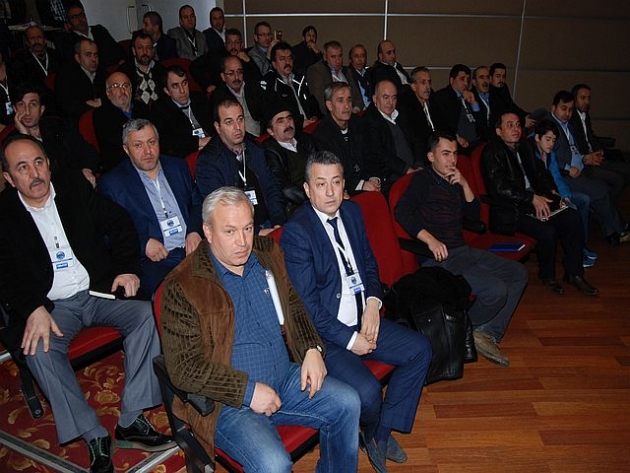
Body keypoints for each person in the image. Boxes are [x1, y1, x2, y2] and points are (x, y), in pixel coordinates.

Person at [0, 134, 173, 473]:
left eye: (38, 162)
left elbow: (120, 222)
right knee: (38, 350)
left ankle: (131, 418)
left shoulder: (72, 188)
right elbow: (4, 274)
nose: (34, 174)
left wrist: (127, 268)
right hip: (51, 307)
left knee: (146, 314)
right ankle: (93, 434)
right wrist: (32, 307)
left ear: (48, 165)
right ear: (9, 178)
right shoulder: (4, 214)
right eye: (22, 168)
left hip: (97, 292)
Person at [160, 186, 361, 472]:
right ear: (207, 231)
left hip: (284, 376)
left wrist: (312, 348)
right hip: (228, 403)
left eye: (248, 228)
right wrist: (248, 391)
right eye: (230, 231)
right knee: (273, 465)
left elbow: (293, 304)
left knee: (348, 403)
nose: (242, 242)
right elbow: (184, 368)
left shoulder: (267, 253)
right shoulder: (183, 286)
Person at [281, 151, 432, 473]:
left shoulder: (352, 212)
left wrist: (374, 304)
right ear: (307, 189)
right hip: (328, 336)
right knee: (368, 394)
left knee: (420, 349)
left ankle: (379, 434)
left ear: (344, 184)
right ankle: (372, 428)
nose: (330, 192)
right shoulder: (297, 233)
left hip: (366, 320)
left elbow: (369, 265)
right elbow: (308, 307)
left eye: (336, 182)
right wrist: (351, 341)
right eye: (321, 184)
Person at [395, 131, 528, 365]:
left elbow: (474, 216)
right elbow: (402, 212)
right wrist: (430, 240)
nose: (452, 160)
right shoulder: (422, 180)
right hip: (440, 258)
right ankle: (463, 331)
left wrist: (465, 184)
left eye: (455, 154)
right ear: (431, 156)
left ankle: (486, 332)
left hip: (463, 250)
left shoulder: (455, 180)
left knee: (519, 273)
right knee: (496, 290)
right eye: (446, 154)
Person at [480, 111, 598, 296]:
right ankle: (547, 276)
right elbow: (501, 189)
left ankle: (574, 273)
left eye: (518, 124)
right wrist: (532, 199)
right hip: (511, 210)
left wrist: (552, 193)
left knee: (572, 217)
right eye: (509, 125)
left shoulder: (525, 146)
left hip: (533, 201)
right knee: (547, 230)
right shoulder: (492, 152)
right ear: (498, 131)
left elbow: (541, 173)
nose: (516, 129)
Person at [98, 119, 203, 295]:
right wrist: (143, 244)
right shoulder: (113, 184)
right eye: (138, 145)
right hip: (155, 261)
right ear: (126, 149)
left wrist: (194, 231)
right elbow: (108, 234)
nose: (147, 151)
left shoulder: (177, 166)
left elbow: (198, 203)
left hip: (192, 248)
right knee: (177, 296)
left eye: (151, 142)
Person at [533, 90, 630, 246]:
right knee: (600, 191)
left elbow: (574, 149)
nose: (567, 113)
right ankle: (620, 230)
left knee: (604, 188)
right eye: (563, 108)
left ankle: (611, 231)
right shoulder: (548, 126)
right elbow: (547, 156)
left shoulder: (567, 124)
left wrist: (585, 158)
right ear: (553, 108)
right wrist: (568, 168)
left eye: (570, 110)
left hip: (580, 166)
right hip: (565, 175)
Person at [196, 98, 286, 235]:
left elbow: (272, 188)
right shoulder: (208, 162)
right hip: (238, 233)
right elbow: (220, 211)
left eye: (240, 119)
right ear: (218, 127)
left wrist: (278, 223)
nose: (237, 127)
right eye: (229, 122)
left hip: (269, 222)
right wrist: (257, 232)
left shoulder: (255, 149)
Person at [527, 119, 596, 268]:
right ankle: (576, 252)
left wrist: (565, 197)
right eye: (548, 139)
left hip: (553, 194)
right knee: (573, 210)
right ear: (537, 137)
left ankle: (581, 244)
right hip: (539, 198)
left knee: (583, 200)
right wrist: (559, 198)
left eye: (553, 140)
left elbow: (556, 177)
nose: (551, 144)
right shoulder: (529, 153)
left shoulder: (549, 154)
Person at [9, 82, 99, 184]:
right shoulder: (12, 143)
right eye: (21, 105)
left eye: (33, 104)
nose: (27, 111)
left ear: (41, 109)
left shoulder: (57, 125)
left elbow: (88, 151)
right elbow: (43, 172)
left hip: (77, 181)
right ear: (15, 109)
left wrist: (87, 169)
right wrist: (26, 137)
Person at [312, 82, 374, 195]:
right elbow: (333, 171)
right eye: (340, 101)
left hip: (369, 180)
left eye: (349, 100)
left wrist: (374, 177)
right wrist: (361, 184)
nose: (347, 106)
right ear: (329, 105)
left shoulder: (358, 123)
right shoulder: (321, 135)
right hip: (346, 188)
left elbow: (371, 155)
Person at [570, 83, 630, 195]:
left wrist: (599, 151)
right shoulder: (570, 118)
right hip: (584, 162)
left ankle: (610, 201)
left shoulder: (585, 115)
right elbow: (575, 144)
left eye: (589, 98)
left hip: (594, 155)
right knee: (618, 180)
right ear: (574, 99)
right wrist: (588, 156)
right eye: (583, 98)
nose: (587, 102)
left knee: (626, 169)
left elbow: (590, 136)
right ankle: (608, 202)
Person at [361, 79, 419, 194]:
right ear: (375, 99)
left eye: (394, 98)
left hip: (413, 170)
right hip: (392, 176)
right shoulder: (369, 120)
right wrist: (407, 170)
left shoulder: (401, 113)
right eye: (386, 97)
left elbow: (415, 139)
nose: (390, 102)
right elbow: (380, 153)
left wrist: (419, 164)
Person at [93, 71, 153, 173]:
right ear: (108, 93)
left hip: (149, 157)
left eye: (125, 86)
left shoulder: (142, 108)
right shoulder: (101, 115)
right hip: (122, 164)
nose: (122, 90)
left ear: (131, 90)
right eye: (116, 86)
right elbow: (114, 144)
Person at [263, 101, 315, 215]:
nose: (288, 124)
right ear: (271, 131)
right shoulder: (269, 151)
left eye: (289, 118)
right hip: (296, 206)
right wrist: (313, 198)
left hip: (319, 194)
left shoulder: (306, 140)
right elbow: (283, 187)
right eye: (281, 121)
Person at [151, 65, 213, 158]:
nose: (182, 90)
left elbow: (215, 125)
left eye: (184, 83)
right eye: (175, 86)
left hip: (212, 148)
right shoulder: (160, 109)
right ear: (167, 91)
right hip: (187, 156)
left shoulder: (200, 98)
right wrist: (198, 143)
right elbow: (167, 142)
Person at [260, 41, 321, 131]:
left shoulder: (300, 78)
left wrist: (315, 116)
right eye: (282, 59)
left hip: (310, 126)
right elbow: (274, 113)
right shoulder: (270, 83)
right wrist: (300, 123)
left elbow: (312, 102)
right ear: (274, 64)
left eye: (290, 58)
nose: (287, 62)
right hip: (288, 130)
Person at [431, 64, 483, 153]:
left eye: (468, 80)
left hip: (476, 143)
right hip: (456, 146)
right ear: (452, 80)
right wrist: (456, 137)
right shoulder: (442, 97)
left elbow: (482, 124)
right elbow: (441, 124)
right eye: (462, 79)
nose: (466, 83)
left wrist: (474, 103)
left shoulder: (470, 96)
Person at [211, 55, 265, 137]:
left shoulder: (254, 86)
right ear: (223, 77)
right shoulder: (218, 97)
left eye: (239, 72)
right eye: (231, 73)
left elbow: (267, 113)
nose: (236, 77)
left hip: (264, 134)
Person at [55, 38, 106, 124]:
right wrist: (88, 105)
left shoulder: (103, 74)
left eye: (96, 55)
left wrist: (100, 102)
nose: (93, 59)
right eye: (88, 55)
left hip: (102, 118)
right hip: (78, 121)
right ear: (78, 58)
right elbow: (67, 105)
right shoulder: (66, 76)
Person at [60, 2, 125, 69]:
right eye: (74, 17)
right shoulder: (69, 41)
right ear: (69, 22)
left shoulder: (99, 30)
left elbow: (118, 50)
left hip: (115, 70)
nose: (80, 19)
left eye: (81, 15)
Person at [306, 40, 363, 115]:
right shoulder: (316, 71)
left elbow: (358, 97)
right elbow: (320, 102)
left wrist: (355, 110)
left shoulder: (347, 71)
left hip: (352, 114)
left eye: (340, 56)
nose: (338, 61)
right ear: (325, 57)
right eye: (333, 57)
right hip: (331, 116)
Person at [398, 66, 437, 168]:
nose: (428, 87)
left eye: (429, 82)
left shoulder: (434, 102)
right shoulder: (407, 109)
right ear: (413, 87)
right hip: (422, 157)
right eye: (423, 82)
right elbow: (415, 140)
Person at [118, 32, 166, 107]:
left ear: (153, 51)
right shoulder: (124, 71)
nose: (145, 51)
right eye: (140, 48)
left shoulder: (161, 69)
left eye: (148, 48)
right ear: (134, 51)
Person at [488, 62, 534, 129]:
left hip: (514, 121)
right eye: (498, 76)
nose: (501, 80)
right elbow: (501, 112)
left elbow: (511, 105)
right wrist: (522, 121)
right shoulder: (488, 92)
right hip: (502, 126)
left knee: (541, 114)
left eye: (503, 76)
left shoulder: (503, 88)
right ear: (490, 78)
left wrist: (524, 114)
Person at [471, 65, 493, 140]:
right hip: (477, 138)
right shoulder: (470, 98)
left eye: (487, 77)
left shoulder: (496, 97)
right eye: (482, 77)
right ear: (474, 82)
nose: (485, 81)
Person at [348, 44, 372, 108]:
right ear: (350, 59)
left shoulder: (370, 74)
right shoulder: (348, 75)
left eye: (362, 56)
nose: (360, 59)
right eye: (356, 56)